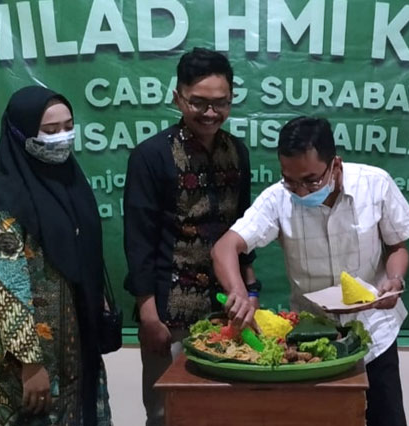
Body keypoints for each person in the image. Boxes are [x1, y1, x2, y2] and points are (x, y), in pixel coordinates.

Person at [211, 116, 409, 426]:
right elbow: (225, 247)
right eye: (290, 180)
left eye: (311, 180)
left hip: (375, 333)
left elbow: (396, 247)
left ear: (335, 164)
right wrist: (238, 292)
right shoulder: (278, 198)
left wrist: (395, 278)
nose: (302, 192)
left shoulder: (375, 184)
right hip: (311, 345)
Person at [123, 47, 256, 426]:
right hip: (170, 311)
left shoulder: (238, 152)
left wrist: (251, 291)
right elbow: (138, 240)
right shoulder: (151, 156)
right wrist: (148, 316)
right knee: (169, 411)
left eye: (221, 103)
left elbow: (243, 230)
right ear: (177, 97)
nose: (211, 113)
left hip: (227, 309)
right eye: (199, 102)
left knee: (225, 410)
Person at [0, 86, 111, 425]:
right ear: (21, 134)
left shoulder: (72, 183)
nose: (63, 138)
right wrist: (30, 363)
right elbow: (9, 287)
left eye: (68, 126)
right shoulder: (4, 201)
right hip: (30, 357)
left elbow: (89, 255)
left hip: (79, 342)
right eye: (50, 131)